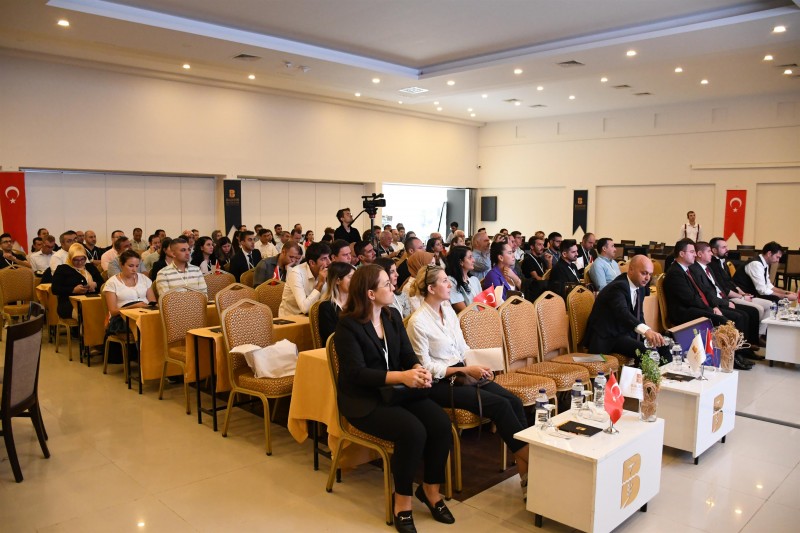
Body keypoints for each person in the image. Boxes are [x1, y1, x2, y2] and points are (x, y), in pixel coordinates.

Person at [334, 265, 453, 530]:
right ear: (370, 294)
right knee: (412, 431)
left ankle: (430, 490)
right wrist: (402, 376)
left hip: (396, 393)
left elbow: (407, 354)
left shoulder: (392, 316)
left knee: (440, 424)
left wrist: (417, 369)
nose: (393, 287)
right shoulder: (348, 325)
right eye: (386, 284)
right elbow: (357, 374)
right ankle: (402, 501)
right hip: (364, 400)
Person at [406, 264, 531, 499]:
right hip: (439, 384)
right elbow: (425, 367)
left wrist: (479, 366)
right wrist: (463, 369)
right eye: (444, 281)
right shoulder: (418, 322)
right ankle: (533, 463)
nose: (449, 284)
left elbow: (462, 347)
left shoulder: (447, 311)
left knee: (513, 401)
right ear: (431, 288)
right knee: (500, 405)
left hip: (464, 375)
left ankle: (525, 473)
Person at [663, 239, 755, 368]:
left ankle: (736, 354)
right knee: (724, 320)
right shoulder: (675, 273)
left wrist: (714, 306)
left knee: (733, 316)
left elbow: (705, 291)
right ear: (682, 254)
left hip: (694, 308)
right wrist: (711, 310)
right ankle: (731, 358)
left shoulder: (687, 270)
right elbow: (690, 299)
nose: (695, 254)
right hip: (683, 312)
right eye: (692, 252)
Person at [582, 255, 668, 366]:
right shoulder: (618, 287)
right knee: (644, 351)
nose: (647, 278)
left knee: (663, 345)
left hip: (624, 332)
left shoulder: (640, 288)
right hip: (607, 337)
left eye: (650, 274)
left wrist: (647, 334)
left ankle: (665, 375)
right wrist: (646, 331)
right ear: (631, 270)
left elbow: (639, 315)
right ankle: (641, 377)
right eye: (644, 273)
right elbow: (623, 313)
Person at [691, 241, 763, 355]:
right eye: (709, 251)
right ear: (700, 254)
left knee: (749, 312)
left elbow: (719, 287)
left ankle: (746, 346)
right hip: (715, 303)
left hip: (722, 299)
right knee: (740, 316)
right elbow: (707, 293)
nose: (711, 254)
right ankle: (738, 352)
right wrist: (725, 303)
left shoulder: (707, 268)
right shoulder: (695, 270)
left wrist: (729, 299)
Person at [708, 237, 772, 336]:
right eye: (724, 247)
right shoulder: (713, 265)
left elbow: (731, 282)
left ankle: (760, 335)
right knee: (757, 310)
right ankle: (753, 337)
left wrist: (743, 293)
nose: (727, 249)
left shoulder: (723, 262)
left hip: (736, 294)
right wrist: (742, 297)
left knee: (770, 305)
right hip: (729, 297)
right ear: (714, 250)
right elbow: (724, 289)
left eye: (727, 247)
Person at [732, 241, 797, 303]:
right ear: (769, 254)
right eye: (777, 257)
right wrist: (785, 297)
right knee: (775, 300)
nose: (778, 260)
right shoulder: (756, 264)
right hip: (742, 295)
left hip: (751, 294)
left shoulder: (764, 263)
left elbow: (768, 285)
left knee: (776, 299)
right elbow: (762, 290)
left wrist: (786, 292)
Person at [279, 242, 330, 316]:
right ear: (312, 263)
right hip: (292, 317)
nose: (329, 262)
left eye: (328, 257)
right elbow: (305, 308)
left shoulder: (325, 271)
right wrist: (320, 284)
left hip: (314, 316)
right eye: (324, 259)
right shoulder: (296, 273)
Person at [103, 249, 156, 320]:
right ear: (121, 265)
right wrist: (133, 307)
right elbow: (113, 311)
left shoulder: (144, 279)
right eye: (131, 266)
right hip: (123, 317)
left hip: (145, 315)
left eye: (137, 266)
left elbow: (152, 302)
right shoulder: (112, 282)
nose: (134, 270)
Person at [52, 244, 101, 319]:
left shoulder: (90, 267)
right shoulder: (62, 269)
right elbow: (55, 289)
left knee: (102, 310)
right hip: (70, 302)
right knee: (87, 313)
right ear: (70, 258)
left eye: (82, 259)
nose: (80, 262)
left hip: (92, 299)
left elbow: (103, 284)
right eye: (76, 260)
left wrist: (95, 284)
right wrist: (73, 290)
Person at [317, 261, 355, 343]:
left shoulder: (357, 302)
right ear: (338, 281)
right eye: (350, 277)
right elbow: (330, 337)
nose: (355, 281)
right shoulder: (326, 307)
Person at [445, 246, 483, 313]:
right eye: (470, 257)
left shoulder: (474, 280)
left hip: (482, 316)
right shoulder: (451, 282)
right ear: (461, 262)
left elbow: (483, 303)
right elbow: (464, 311)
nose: (473, 260)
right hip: (468, 318)